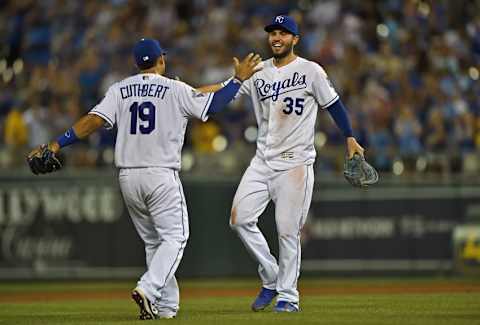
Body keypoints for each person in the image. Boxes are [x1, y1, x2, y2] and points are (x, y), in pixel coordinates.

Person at [26, 38, 262, 319]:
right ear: (161, 61)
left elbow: (93, 120)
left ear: (138, 64)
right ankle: (148, 289)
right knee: (176, 237)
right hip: (160, 175)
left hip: (128, 178)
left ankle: (164, 307)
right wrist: (237, 81)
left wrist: (55, 144)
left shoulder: (120, 89)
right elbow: (209, 105)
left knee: (155, 243)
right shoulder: (174, 89)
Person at [207, 15, 365, 312]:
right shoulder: (257, 71)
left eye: (283, 33)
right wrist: (186, 93)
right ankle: (271, 276)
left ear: (295, 39)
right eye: (273, 33)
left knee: (287, 231)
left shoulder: (311, 70)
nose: (276, 37)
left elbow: (334, 105)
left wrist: (349, 137)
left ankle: (288, 296)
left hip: (295, 164)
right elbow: (223, 89)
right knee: (239, 219)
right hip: (262, 161)